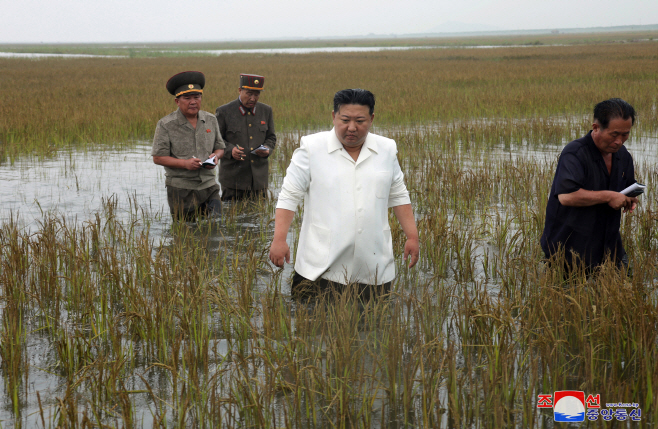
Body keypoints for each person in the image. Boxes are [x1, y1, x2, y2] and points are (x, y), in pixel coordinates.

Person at [269, 88, 420, 296]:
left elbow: (399, 195)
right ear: (333, 116)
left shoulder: (386, 149)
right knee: (312, 324)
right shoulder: (312, 148)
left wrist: (412, 236)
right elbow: (289, 195)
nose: (351, 128)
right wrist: (279, 239)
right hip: (319, 266)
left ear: (372, 119)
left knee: (373, 324)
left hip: (373, 265)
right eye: (345, 119)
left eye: (360, 121)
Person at [540, 98, 639, 272]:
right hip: (570, 247)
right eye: (614, 134)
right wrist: (610, 196)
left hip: (608, 242)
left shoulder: (623, 155)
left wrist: (628, 198)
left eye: (625, 134)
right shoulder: (575, 153)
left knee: (626, 284)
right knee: (571, 294)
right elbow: (567, 196)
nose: (619, 141)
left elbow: (627, 188)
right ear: (596, 127)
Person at [152, 71, 225, 221]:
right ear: (177, 101)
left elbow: (220, 147)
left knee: (217, 227)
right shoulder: (166, 124)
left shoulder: (211, 119)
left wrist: (215, 157)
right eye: (187, 98)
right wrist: (185, 164)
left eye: (196, 97)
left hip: (209, 185)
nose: (193, 102)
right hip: (181, 189)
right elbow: (158, 157)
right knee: (185, 233)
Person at [215, 74, 276, 201]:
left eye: (256, 94)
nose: (253, 98)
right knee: (233, 218)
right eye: (249, 94)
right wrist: (230, 150)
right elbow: (216, 140)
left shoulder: (266, 110)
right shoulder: (224, 111)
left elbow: (271, 137)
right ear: (239, 90)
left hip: (259, 180)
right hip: (233, 181)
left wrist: (267, 149)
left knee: (259, 217)